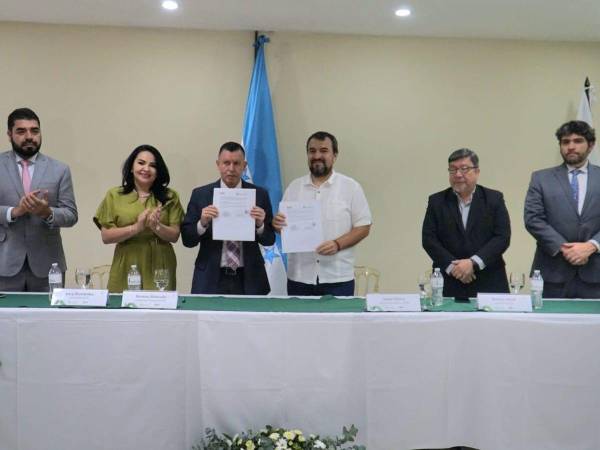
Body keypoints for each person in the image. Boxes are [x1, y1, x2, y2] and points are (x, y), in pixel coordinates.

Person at [273, 131, 372, 296]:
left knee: (338, 323)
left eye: (324, 151)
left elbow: (363, 226)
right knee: (299, 323)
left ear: (334, 155)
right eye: (312, 151)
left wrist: (337, 244)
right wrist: (277, 225)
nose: (317, 155)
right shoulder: (294, 188)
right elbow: (283, 227)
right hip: (299, 278)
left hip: (337, 278)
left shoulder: (351, 187)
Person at [181, 141, 275, 294]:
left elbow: (270, 239)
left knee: (250, 319)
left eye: (236, 163)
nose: (231, 169)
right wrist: (202, 223)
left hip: (249, 278)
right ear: (218, 164)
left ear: (244, 166)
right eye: (226, 163)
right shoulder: (201, 194)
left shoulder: (259, 194)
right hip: (210, 278)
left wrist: (260, 225)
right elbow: (187, 240)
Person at [0, 107, 78, 291]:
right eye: (21, 131)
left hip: (48, 265)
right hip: (4, 263)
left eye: (34, 131)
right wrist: (14, 212)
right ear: (9, 134)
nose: (29, 136)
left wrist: (48, 213)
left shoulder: (60, 169)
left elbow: (71, 214)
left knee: (49, 319)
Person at [524, 120, 600, 298]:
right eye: (565, 142)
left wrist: (591, 246)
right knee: (548, 325)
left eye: (578, 141)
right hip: (553, 273)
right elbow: (533, 219)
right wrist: (565, 248)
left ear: (591, 145)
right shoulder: (541, 178)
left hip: (596, 273)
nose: (571, 147)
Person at [422, 148, 510, 299]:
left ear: (477, 171)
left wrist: (473, 263)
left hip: (489, 279)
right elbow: (429, 240)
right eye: (453, 169)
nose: (457, 174)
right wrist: (454, 268)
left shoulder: (494, 199)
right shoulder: (436, 201)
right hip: (450, 281)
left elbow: (502, 237)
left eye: (464, 169)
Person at [94, 145, 184, 292]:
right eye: (141, 163)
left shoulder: (170, 196)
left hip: (160, 263)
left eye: (152, 165)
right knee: (123, 310)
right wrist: (136, 227)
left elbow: (174, 236)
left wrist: (156, 226)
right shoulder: (115, 195)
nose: (146, 169)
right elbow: (106, 236)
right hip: (127, 260)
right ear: (131, 167)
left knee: (158, 310)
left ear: (158, 171)